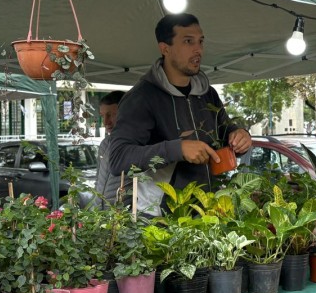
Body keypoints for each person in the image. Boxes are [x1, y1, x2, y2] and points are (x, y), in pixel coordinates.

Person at [108, 13, 252, 214]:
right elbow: (117, 159)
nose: (198, 50)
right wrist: (177, 149)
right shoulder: (142, 98)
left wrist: (239, 135)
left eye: (200, 41)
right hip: (160, 219)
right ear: (165, 48)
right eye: (188, 41)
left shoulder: (208, 94)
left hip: (207, 210)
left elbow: (225, 130)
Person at [94, 90, 124, 205]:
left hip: (123, 217)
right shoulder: (104, 144)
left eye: (111, 115)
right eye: (103, 116)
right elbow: (98, 180)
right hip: (101, 216)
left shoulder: (138, 144)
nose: (106, 122)